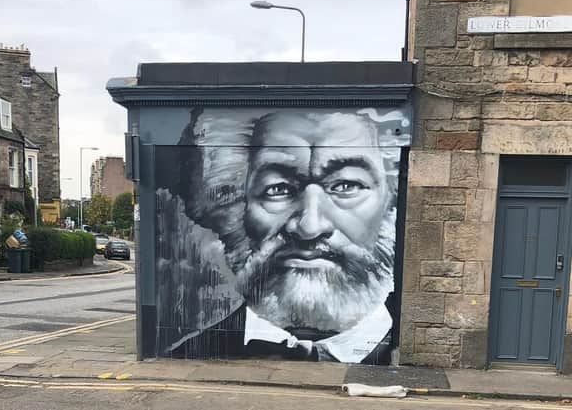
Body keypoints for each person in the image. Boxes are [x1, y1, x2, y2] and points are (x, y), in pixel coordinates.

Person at [159, 110, 399, 364]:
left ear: (391, 202)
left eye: (347, 186)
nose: (309, 227)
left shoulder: (420, 347)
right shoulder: (188, 357)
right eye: (278, 189)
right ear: (240, 208)